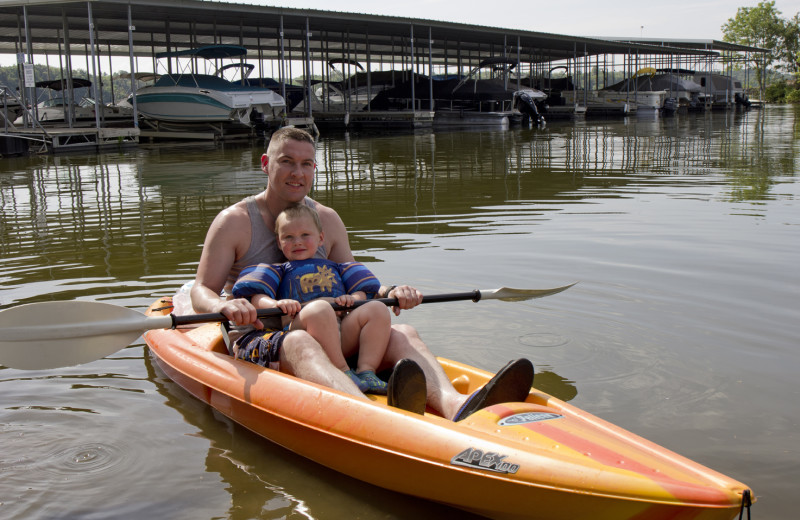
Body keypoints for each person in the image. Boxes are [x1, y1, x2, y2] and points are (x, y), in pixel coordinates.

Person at [189, 126, 533, 420]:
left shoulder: (327, 219)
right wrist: (224, 307)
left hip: (331, 331)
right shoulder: (234, 221)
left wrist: (392, 291)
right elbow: (202, 289)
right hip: (268, 338)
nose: (298, 173)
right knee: (299, 340)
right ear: (266, 164)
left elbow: (349, 279)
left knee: (403, 333)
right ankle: (366, 413)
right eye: (287, 162)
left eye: (307, 164)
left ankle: (455, 404)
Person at [231, 203, 391, 394]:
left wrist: (353, 298)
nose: (297, 242)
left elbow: (363, 292)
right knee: (320, 309)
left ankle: (367, 372)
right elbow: (257, 297)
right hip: (303, 330)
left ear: (321, 238)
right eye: (289, 237)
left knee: (377, 308)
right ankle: (343, 373)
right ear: (279, 242)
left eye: (305, 235)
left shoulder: (338, 268)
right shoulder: (277, 270)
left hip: (341, 333)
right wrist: (275, 303)